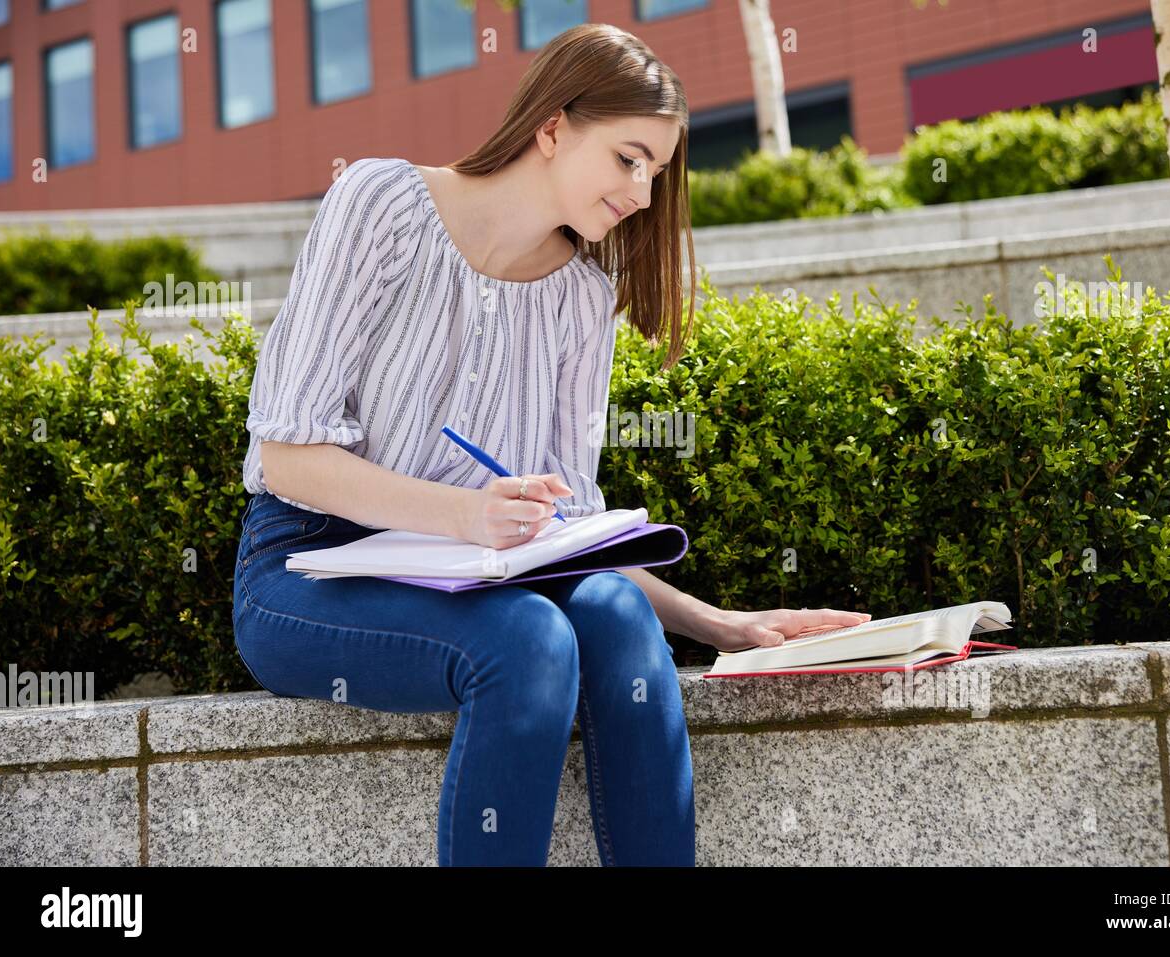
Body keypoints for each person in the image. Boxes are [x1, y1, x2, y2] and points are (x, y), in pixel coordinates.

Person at [232, 23, 871, 867]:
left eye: (657, 171)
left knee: (608, 612)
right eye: (628, 158)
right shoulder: (379, 204)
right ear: (553, 127)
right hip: (304, 570)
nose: (644, 192)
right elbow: (290, 456)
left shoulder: (580, 301)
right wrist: (467, 514)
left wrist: (720, 624)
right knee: (529, 641)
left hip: (469, 574)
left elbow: (575, 534)